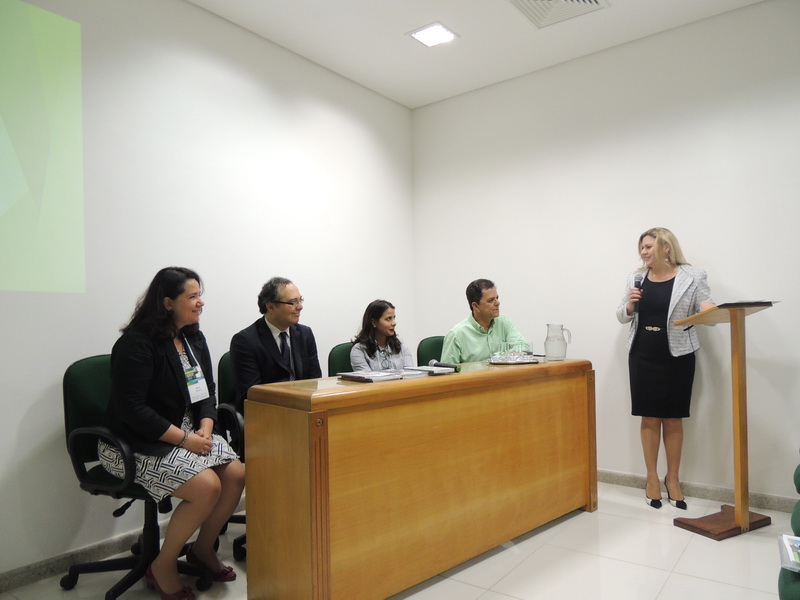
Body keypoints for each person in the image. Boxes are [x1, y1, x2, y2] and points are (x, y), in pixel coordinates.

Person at [99, 267, 245, 600]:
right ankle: (162, 565)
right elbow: (132, 409)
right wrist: (184, 439)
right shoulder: (136, 344)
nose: (200, 303)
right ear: (167, 303)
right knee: (207, 486)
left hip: (189, 432)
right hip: (133, 442)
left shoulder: (193, 337)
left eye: (199, 295)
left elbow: (206, 392)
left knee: (236, 474)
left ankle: (202, 549)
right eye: (192, 297)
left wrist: (206, 426)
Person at [616, 227, 715, 510]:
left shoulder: (693, 276)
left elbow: (706, 306)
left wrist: (709, 310)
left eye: (648, 246)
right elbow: (621, 315)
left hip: (678, 355)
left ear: (666, 247)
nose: (643, 252)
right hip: (643, 353)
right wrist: (630, 306)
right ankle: (651, 478)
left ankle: (673, 479)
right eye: (641, 247)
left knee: (673, 418)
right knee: (649, 417)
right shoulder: (635, 278)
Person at [230, 277, 322, 411]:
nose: (300, 307)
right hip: (267, 412)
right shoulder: (245, 341)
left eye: (300, 300)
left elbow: (314, 381)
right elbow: (252, 394)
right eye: (292, 302)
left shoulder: (305, 334)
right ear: (270, 306)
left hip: (304, 409)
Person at [441, 278, 528, 364]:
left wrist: (501, 358)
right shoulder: (456, 335)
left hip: (503, 373)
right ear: (476, 306)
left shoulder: (504, 322)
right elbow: (448, 370)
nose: (497, 303)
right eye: (491, 300)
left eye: (497, 298)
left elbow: (523, 347)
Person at [350, 299, 414, 371]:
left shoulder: (401, 347)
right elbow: (366, 377)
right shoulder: (359, 350)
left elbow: (411, 373)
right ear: (374, 322)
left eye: (394, 318)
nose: (394, 323)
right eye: (388, 319)